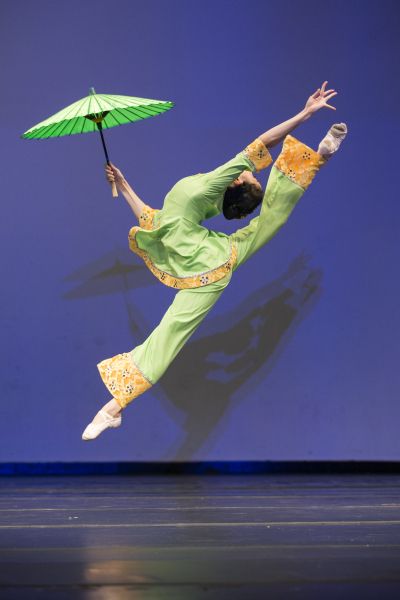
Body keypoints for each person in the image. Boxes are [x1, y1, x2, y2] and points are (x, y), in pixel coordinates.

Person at [82, 80, 347, 441]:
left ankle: (112, 409)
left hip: (207, 262)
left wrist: (305, 113)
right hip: (210, 262)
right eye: (254, 173)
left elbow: (264, 141)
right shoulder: (208, 192)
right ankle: (319, 158)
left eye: (249, 175)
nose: (250, 170)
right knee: (266, 224)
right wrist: (124, 184)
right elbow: (153, 217)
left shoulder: (212, 185)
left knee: (170, 333)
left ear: (235, 185)